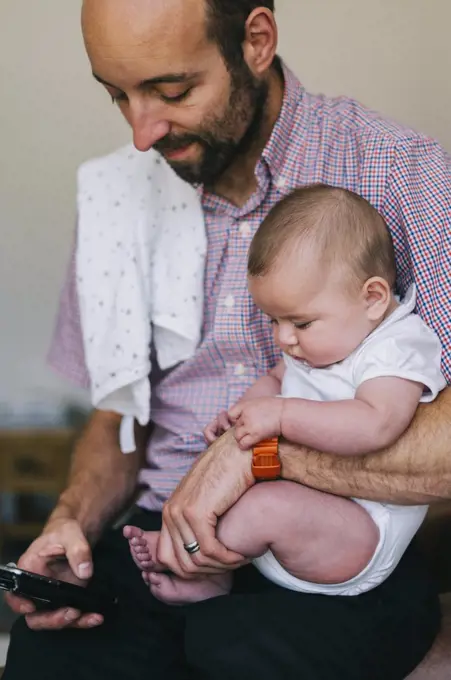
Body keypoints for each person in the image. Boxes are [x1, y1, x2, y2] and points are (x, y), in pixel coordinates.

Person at [4, 1, 451, 679]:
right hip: (162, 531)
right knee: (52, 658)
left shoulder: (398, 172)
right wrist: (72, 519)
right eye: (115, 94)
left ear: (256, 41)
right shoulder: (115, 199)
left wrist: (255, 459)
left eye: (171, 90)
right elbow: (117, 417)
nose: (141, 131)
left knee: (244, 656)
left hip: (334, 544)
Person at [126, 184, 446, 604]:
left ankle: (200, 568)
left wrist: (279, 416)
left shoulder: (397, 346)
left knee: (266, 506)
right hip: (305, 513)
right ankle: (198, 555)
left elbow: (376, 424)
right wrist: (244, 411)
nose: (283, 337)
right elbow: (277, 380)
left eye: (300, 322)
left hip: (359, 534)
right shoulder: (328, 336)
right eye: (273, 320)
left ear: (372, 298)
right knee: (222, 486)